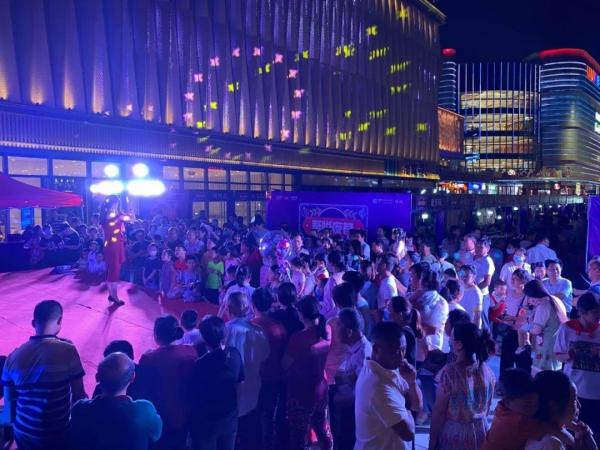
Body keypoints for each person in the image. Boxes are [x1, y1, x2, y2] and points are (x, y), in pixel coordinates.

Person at [1, 300, 86, 450]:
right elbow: (79, 395)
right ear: (60, 321)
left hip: (23, 434)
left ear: (33, 323)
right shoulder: (68, 351)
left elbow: (9, 406)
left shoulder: (12, 358)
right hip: (57, 433)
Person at [69, 353, 162, 450]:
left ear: (97, 377)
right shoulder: (145, 410)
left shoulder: (79, 409)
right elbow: (156, 435)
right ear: (132, 377)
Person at [354, 321, 422, 450]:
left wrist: (411, 382)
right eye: (396, 351)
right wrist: (406, 406)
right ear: (376, 349)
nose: (401, 356)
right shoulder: (376, 385)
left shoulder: (390, 368)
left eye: (403, 350)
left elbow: (417, 405)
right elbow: (408, 433)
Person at [133, 315, 197, 450]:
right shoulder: (191, 351)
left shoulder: (149, 359)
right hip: (186, 414)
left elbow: (142, 389)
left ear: (156, 335)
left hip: (161, 415)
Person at [428, 322, 496, 450]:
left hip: (455, 434)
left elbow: (439, 411)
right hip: (481, 430)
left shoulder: (449, 373)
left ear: (458, 344)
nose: (449, 339)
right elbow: (487, 407)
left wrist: (432, 439)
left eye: (452, 337)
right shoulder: (487, 371)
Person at [282, 295, 333, 450]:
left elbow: (285, 363)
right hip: (320, 387)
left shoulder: (298, 338)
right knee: (322, 429)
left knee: (299, 436)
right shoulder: (327, 330)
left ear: (301, 314)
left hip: (301, 390)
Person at [190, 315, 244, 450]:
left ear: (203, 337)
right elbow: (240, 383)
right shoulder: (235, 353)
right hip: (229, 418)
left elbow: (195, 395)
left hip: (208, 422)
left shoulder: (201, 364)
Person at [225, 292, 269, 450]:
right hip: (252, 391)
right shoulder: (258, 331)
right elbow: (265, 357)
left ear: (229, 309)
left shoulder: (225, 330)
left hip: (230, 395)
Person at [484, 369, 570, 450]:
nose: (534, 409)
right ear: (507, 401)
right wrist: (574, 443)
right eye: (527, 405)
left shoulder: (502, 407)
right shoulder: (519, 422)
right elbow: (553, 431)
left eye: (536, 404)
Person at [555, 293, 600, 439]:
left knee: (595, 436)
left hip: (597, 392)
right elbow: (558, 355)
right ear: (582, 312)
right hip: (575, 392)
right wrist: (569, 355)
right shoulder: (567, 329)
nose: (599, 315)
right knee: (573, 433)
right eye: (595, 312)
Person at [251, 289, 288, 450]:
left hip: (256, 378)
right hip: (275, 376)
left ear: (253, 305)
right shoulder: (278, 327)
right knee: (269, 415)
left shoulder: (251, 326)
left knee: (255, 415)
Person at [331, 308, 372, 450]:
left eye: (338, 325)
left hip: (354, 413)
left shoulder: (364, 354)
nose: (335, 329)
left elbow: (362, 389)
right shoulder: (353, 347)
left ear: (349, 332)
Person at [525, 371, 597, 450]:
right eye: (574, 400)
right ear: (553, 405)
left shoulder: (557, 430)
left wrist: (581, 440)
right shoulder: (551, 443)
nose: (579, 405)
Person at [524, 279, 568, 372]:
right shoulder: (555, 299)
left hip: (546, 346)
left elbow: (536, 330)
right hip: (558, 343)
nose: (529, 300)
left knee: (540, 375)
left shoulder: (543, 305)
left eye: (529, 297)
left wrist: (526, 328)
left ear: (533, 295)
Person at [100, 195, 133, 306]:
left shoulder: (104, 216)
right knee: (114, 272)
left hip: (110, 245)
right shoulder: (116, 216)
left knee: (111, 271)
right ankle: (115, 297)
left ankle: (111, 294)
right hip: (115, 246)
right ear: (114, 203)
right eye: (117, 203)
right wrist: (129, 207)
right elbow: (131, 219)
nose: (117, 205)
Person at [322, 251, 346, 320]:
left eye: (327, 261)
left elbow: (330, 305)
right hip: (342, 313)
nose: (326, 264)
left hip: (331, 316)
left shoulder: (332, 280)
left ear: (332, 263)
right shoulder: (344, 275)